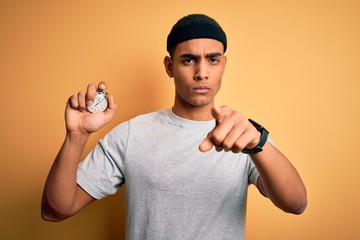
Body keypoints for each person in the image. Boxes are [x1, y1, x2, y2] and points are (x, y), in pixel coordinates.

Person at [41, 14, 307, 239]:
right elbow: (55, 210)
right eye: (189, 59)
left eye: (213, 59)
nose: (202, 72)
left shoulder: (242, 134)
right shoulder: (132, 134)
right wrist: (76, 136)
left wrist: (258, 143)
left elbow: (296, 203)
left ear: (223, 65)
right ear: (170, 66)